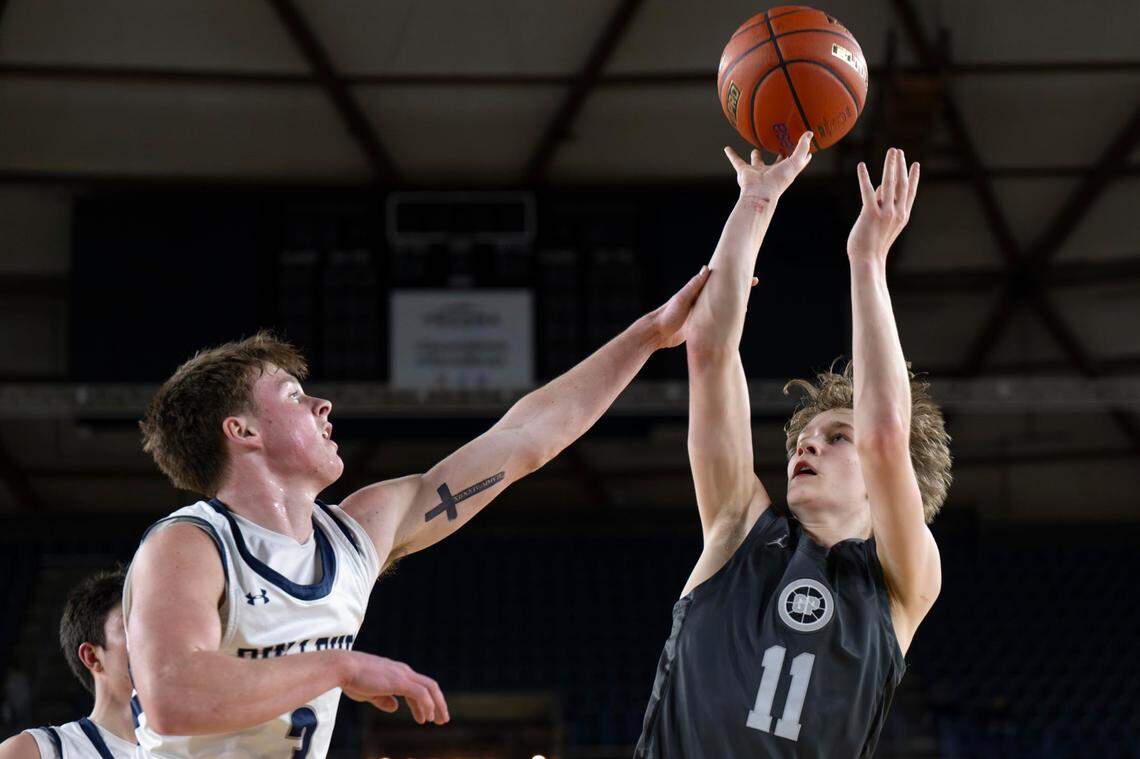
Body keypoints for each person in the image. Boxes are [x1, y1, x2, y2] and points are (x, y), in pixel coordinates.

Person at [123, 268, 717, 758]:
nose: (322, 404)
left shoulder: (356, 536)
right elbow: (174, 698)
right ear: (242, 431)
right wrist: (339, 666)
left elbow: (523, 439)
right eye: (294, 397)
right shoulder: (189, 545)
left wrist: (650, 334)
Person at [635, 138, 952, 757]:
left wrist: (868, 261)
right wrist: (754, 203)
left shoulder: (900, 585)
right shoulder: (735, 530)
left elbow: (887, 436)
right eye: (804, 438)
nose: (806, 445)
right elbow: (709, 351)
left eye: (837, 437)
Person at [0, 569, 135, 758]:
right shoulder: (35, 751)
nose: (153, 639)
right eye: (133, 626)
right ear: (92, 657)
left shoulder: (187, 749)